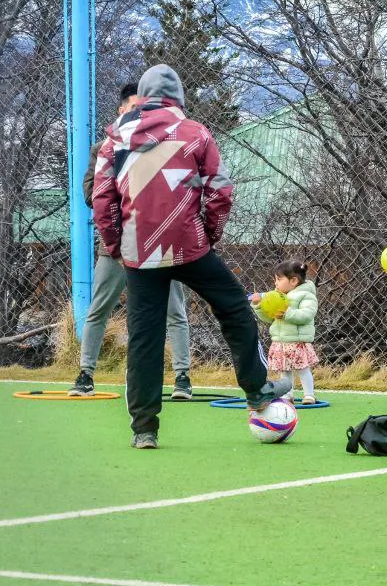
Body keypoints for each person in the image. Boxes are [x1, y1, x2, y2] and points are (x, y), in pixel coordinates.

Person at [92, 65, 291, 448]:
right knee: (233, 305)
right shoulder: (195, 132)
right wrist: (208, 235)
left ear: (143, 98)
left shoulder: (114, 138)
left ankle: (144, 429)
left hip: (138, 252)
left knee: (145, 336)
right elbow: (220, 190)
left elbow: (103, 199)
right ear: (179, 98)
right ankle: (257, 388)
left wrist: (117, 245)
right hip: (189, 245)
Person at [72, 82, 193, 400]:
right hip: (117, 247)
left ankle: (182, 378)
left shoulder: (161, 144)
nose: (141, 114)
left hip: (159, 244)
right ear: (122, 110)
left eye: (145, 107)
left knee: (174, 310)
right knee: (99, 307)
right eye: (134, 108)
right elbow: (91, 195)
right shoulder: (103, 149)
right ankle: (85, 374)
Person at [251, 260, 320, 405]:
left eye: (279, 279)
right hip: (280, 341)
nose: (275, 283)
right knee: (284, 370)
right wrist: (258, 306)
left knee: (302, 368)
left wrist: (287, 313)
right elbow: (269, 317)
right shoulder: (277, 296)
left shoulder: (305, 295)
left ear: (293, 280)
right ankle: (287, 395)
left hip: (297, 341)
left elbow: (307, 315)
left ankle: (309, 395)